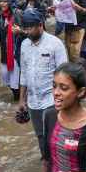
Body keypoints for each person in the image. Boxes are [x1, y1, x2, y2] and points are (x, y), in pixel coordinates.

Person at [17, 8, 68, 154]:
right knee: (40, 135)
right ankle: (46, 161)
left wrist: (62, 100)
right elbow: (24, 74)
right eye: (25, 28)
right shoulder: (24, 45)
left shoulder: (55, 44)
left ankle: (58, 164)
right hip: (33, 101)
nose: (27, 32)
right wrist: (22, 100)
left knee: (54, 136)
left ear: (40, 25)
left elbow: (64, 74)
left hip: (52, 100)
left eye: (30, 28)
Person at [0, 0, 24, 102]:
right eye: (1, 1)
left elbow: (28, 32)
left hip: (16, 52)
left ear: (10, 1)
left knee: (16, 80)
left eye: (5, 1)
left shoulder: (18, 13)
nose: (2, 4)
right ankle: (19, 95)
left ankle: (20, 100)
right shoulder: (1, 17)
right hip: (6, 53)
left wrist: (20, 31)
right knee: (6, 78)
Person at [55, 0, 86, 64]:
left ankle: (79, 74)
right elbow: (62, 13)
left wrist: (78, 8)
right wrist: (54, 10)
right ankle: (76, 72)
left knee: (74, 54)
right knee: (69, 53)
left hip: (78, 27)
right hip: (68, 28)